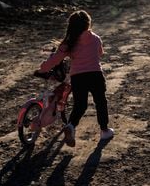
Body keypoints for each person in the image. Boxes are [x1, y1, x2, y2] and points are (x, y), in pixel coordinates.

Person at [36, 10, 114, 147]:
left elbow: (54, 60)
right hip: (96, 75)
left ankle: (71, 126)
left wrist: (42, 69)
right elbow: (100, 53)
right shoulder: (96, 38)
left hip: (78, 77)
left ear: (71, 26)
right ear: (88, 24)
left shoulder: (69, 43)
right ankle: (104, 130)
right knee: (101, 102)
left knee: (80, 105)